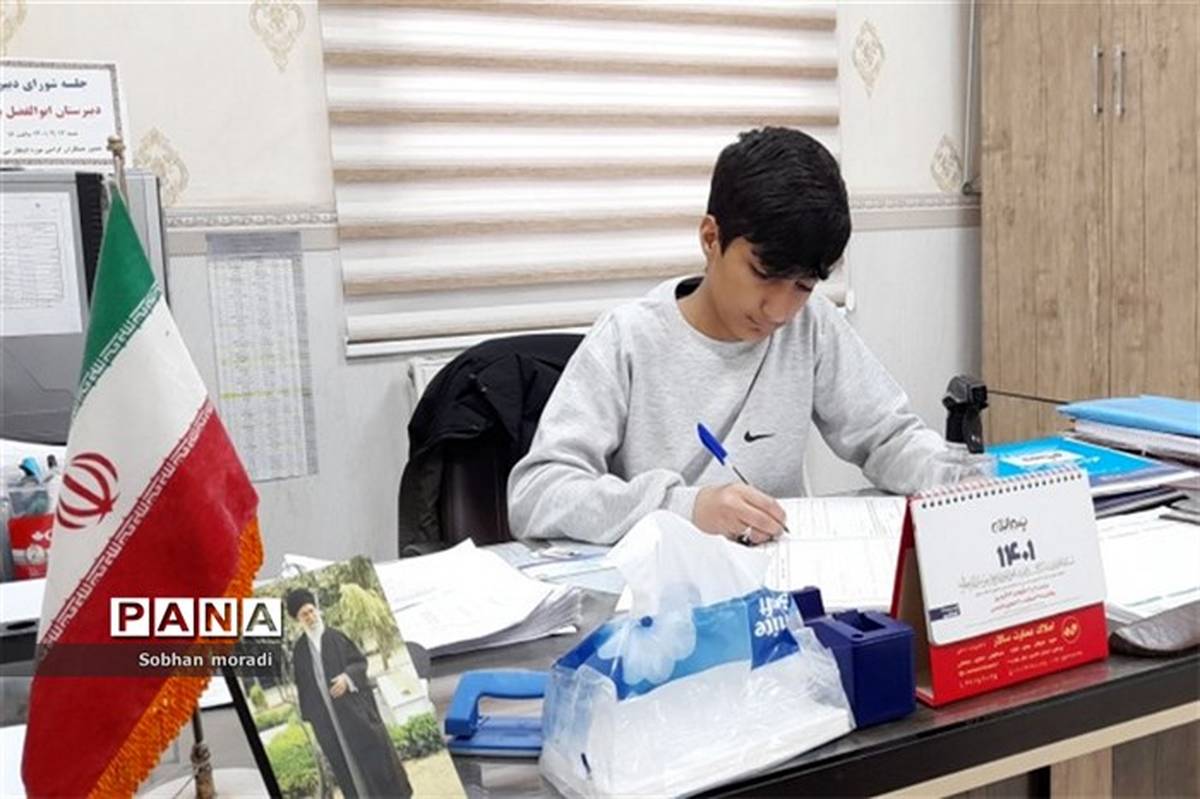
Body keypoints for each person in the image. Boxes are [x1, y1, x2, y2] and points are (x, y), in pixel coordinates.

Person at [508, 127, 951, 545]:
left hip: (781, 575)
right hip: (668, 584)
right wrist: (684, 509)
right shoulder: (627, 339)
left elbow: (889, 438)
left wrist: (961, 477)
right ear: (711, 238)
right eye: (764, 274)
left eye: (803, 286)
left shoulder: (811, 325)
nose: (779, 311)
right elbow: (537, 493)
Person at [285, 588, 412, 798]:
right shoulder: (300, 651)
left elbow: (359, 662)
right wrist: (315, 720)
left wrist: (347, 678)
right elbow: (303, 688)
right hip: (329, 723)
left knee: (376, 761)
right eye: (304, 615)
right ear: (298, 620)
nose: (310, 617)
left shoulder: (336, 637)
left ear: (317, 610)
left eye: (311, 611)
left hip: (355, 716)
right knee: (345, 767)